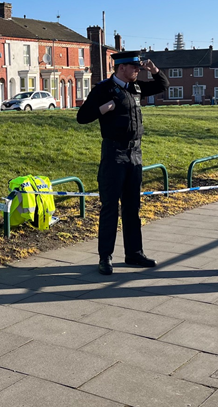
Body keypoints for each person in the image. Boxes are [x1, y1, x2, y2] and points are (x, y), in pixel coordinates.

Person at [77, 50, 169, 275]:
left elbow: (163, 85)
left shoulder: (136, 88)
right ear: (121, 68)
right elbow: (82, 117)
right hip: (114, 153)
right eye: (135, 67)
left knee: (132, 207)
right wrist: (103, 109)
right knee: (110, 207)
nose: (138, 70)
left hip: (134, 153)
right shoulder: (104, 89)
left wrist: (154, 70)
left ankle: (134, 253)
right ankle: (105, 257)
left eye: (139, 67)